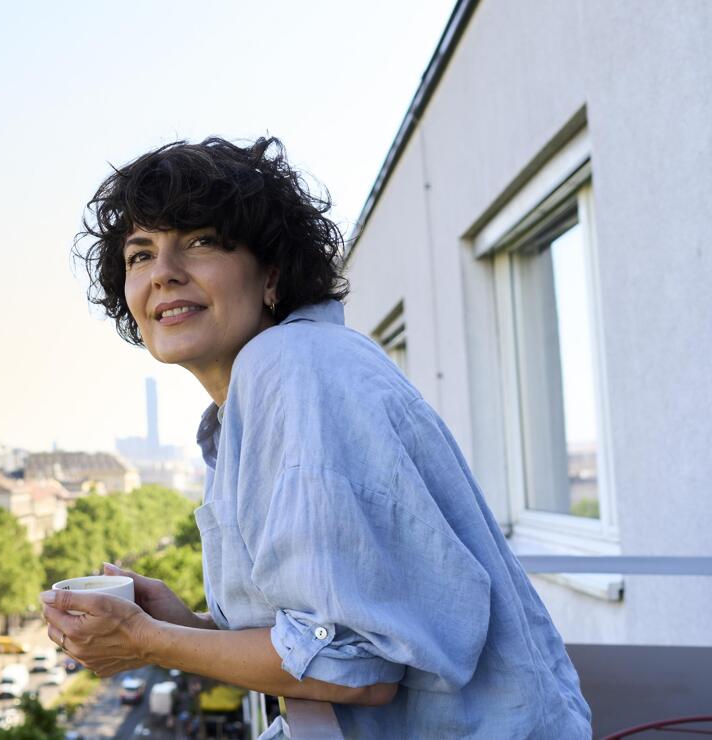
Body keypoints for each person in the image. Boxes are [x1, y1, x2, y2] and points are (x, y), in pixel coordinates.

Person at [40, 137, 591, 737]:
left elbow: (362, 669)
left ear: (271, 273)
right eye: (140, 255)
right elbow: (320, 638)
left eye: (199, 242)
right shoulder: (250, 403)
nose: (164, 274)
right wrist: (184, 626)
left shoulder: (293, 365)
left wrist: (148, 642)